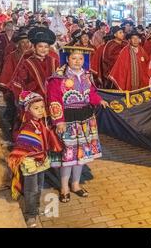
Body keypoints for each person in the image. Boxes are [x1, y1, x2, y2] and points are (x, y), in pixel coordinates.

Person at [47, 46, 108, 203]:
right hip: (68, 119)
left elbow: (91, 93)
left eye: (80, 59)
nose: (77, 61)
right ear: (67, 59)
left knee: (81, 155)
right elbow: (54, 99)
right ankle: (64, 187)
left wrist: (99, 100)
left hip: (86, 119)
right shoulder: (58, 78)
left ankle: (75, 185)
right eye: (74, 58)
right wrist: (58, 121)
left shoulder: (87, 75)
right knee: (68, 155)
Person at [8, 91, 62, 227]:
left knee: (38, 187)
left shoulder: (41, 123)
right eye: (36, 108)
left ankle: (35, 209)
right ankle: (31, 215)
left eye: (42, 107)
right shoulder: (27, 126)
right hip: (30, 162)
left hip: (41, 160)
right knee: (31, 189)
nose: (40, 110)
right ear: (28, 110)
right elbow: (22, 145)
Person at [11, 27, 59, 101]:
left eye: (46, 47)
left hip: (53, 99)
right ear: (34, 47)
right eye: (40, 46)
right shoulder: (27, 63)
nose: (43, 49)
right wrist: (25, 96)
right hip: (33, 100)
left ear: (49, 48)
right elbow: (18, 82)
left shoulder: (54, 62)